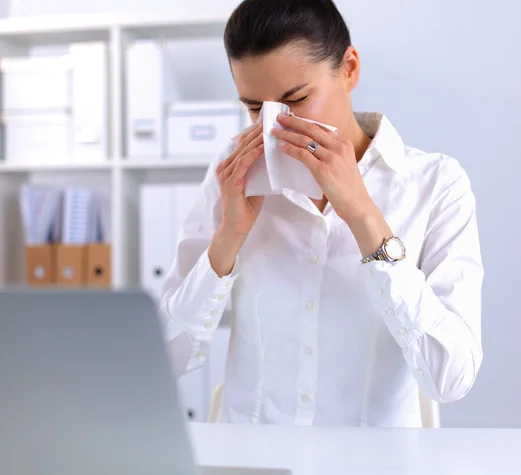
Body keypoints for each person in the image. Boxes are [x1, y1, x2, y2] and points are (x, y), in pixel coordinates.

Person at [160, 0, 483, 427]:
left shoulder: (435, 184)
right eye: (256, 108)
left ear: (349, 69)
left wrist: (365, 216)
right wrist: (228, 238)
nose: (275, 124)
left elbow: (451, 378)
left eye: (297, 99)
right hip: (254, 460)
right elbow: (168, 358)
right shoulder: (233, 172)